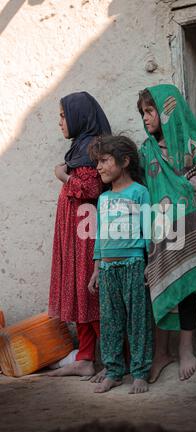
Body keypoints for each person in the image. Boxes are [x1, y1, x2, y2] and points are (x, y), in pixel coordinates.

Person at [137, 84, 196, 382]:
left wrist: (179, 189)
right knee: (159, 288)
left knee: (187, 291)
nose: (146, 118)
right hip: (158, 231)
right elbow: (143, 190)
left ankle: (186, 349)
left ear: (167, 109)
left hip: (187, 228)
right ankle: (161, 352)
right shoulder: (146, 151)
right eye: (142, 113)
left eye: (150, 111)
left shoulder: (189, 143)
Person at [48, 91, 111, 377]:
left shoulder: (92, 148)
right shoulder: (79, 147)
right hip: (74, 235)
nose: (60, 122)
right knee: (79, 292)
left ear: (79, 116)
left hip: (87, 233)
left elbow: (90, 190)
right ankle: (85, 358)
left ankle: (112, 362)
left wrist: (63, 176)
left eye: (63, 116)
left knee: (91, 293)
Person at [88, 135, 153, 394]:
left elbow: (148, 230)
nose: (99, 167)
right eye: (98, 162)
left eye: (104, 161)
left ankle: (140, 373)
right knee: (110, 322)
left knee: (138, 321)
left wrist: (150, 262)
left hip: (134, 265)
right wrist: (96, 269)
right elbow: (100, 236)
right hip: (107, 269)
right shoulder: (103, 200)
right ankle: (114, 372)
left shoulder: (140, 192)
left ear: (124, 161)